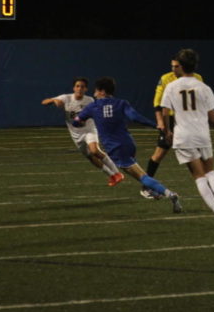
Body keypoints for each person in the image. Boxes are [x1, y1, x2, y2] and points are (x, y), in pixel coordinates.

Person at [71, 77, 182, 212]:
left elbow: (76, 122)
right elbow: (135, 117)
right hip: (129, 143)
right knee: (136, 170)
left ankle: (169, 194)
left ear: (102, 91)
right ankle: (154, 190)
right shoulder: (121, 103)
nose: (94, 93)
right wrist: (155, 125)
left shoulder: (92, 107)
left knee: (141, 177)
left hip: (116, 148)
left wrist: (80, 121)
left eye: (96, 90)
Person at [161, 49, 214, 228]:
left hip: (183, 136)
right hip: (202, 134)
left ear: (181, 66)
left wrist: (167, 131)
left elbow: (164, 112)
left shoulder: (171, 86)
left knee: (199, 177)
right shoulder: (203, 86)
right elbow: (212, 114)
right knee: (211, 172)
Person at [141, 48, 204, 197]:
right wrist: (161, 122)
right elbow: (157, 103)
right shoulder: (166, 78)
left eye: (176, 66)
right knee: (159, 153)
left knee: (198, 153)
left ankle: (205, 184)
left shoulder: (197, 78)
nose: (173, 69)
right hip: (170, 119)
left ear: (183, 66)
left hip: (189, 121)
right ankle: (145, 187)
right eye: (172, 66)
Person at [42, 77, 125, 186]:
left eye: (82, 87)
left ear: (86, 89)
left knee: (94, 151)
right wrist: (53, 100)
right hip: (76, 134)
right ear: (74, 88)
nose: (79, 88)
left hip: (89, 130)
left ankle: (118, 173)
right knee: (91, 157)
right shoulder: (66, 98)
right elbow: (44, 102)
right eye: (77, 86)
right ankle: (112, 175)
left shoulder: (89, 100)